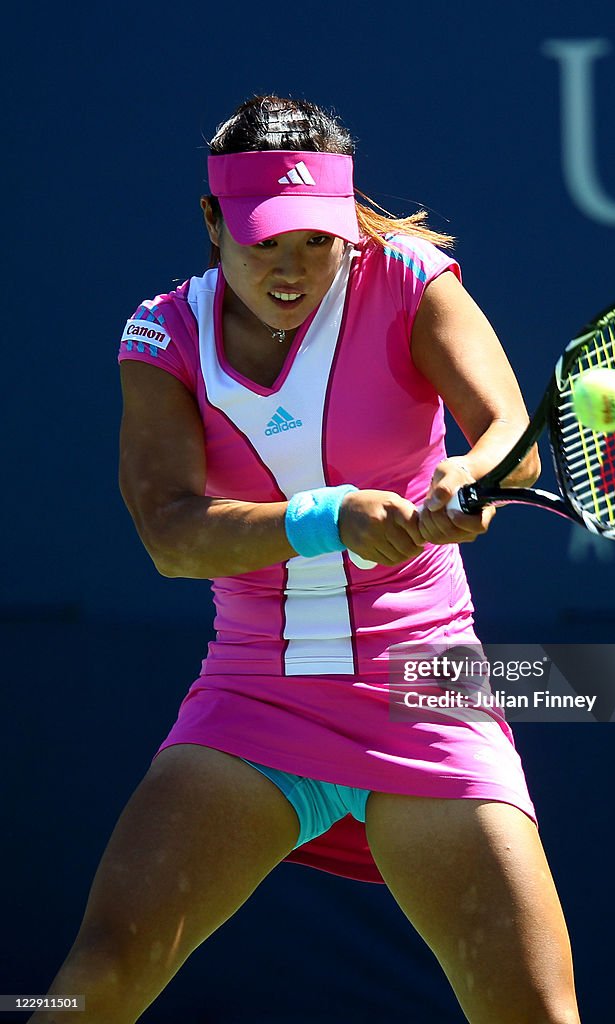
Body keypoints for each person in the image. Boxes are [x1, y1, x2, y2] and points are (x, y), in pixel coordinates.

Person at [30, 95, 581, 1024]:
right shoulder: (163, 335)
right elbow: (171, 533)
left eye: (316, 243)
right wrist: (327, 517)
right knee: (100, 979)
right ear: (212, 223)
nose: (292, 268)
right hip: (254, 702)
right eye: (265, 243)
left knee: (533, 1012)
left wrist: (465, 476)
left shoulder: (408, 278)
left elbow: (507, 441)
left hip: (426, 694)